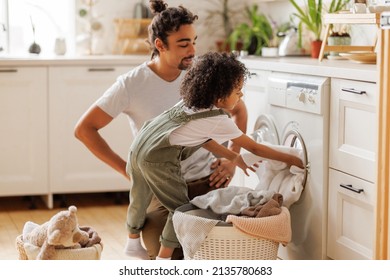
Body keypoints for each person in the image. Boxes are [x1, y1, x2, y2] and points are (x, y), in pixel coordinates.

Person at [74, 0, 247, 260]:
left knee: (215, 249)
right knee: (167, 253)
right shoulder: (132, 84)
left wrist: (231, 159)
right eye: (183, 44)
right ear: (160, 45)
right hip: (160, 190)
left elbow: (239, 110)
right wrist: (131, 172)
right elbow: (85, 129)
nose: (192, 51)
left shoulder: (201, 73)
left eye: (193, 41)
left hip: (206, 180)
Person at [125, 51, 304, 260]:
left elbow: (204, 139)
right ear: (220, 97)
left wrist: (234, 158)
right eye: (238, 91)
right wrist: (294, 158)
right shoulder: (218, 120)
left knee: (139, 195)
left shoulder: (190, 103)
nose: (241, 96)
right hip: (157, 160)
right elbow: (255, 148)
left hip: (138, 148)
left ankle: (132, 241)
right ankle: (163, 260)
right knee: (181, 210)